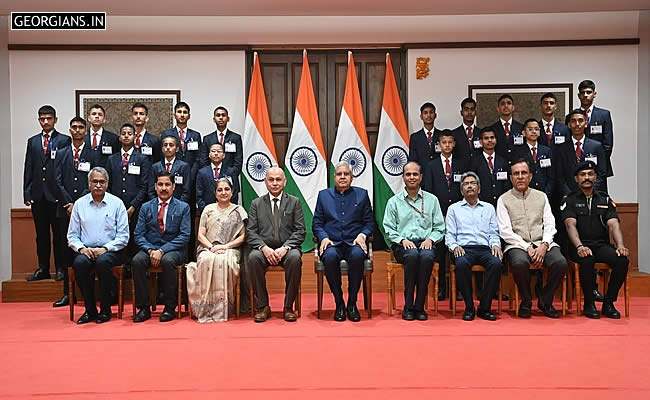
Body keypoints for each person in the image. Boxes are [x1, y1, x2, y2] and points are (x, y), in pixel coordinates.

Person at [497, 159, 568, 318]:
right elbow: (505, 231)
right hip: (517, 244)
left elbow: (550, 224)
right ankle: (526, 301)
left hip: (543, 242)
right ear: (510, 178)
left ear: (530, 176)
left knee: (560, 263)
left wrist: (544, 245)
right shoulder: (503, 199)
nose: (520, 177)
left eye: (524, 173)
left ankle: (545, 299)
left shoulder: (541, 196)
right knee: (519, 263)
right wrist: (527, 247)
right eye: (516, 174)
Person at [562, 161, 629, 319]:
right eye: (583, 175)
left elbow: (613, 224)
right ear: (576, 179)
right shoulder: (569, 199)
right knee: (587, 258)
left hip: (600, 245)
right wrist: (579, 246)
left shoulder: (605, 199)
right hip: (578, 246)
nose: (587, 177)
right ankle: (589, 303)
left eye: (590, 174)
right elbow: (570, 224)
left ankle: (608, 302)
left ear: (596, 177)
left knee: (622, 260)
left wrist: (620, 246)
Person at [313, 162, 374, 322]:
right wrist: (324, 237)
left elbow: (369, 223)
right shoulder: (323, 195)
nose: (342, 177)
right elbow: (317, 223)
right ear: (334, 177)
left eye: (346, 174)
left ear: (351, 177)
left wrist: (363, 235)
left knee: (357, 256)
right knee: (330, 257)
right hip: (332, 242)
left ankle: (352, 303)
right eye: (339, 174)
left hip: (354, 242)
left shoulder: (362, 195)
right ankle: (339, 302)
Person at [383, 161, 444, 321]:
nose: (412, 177)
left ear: (421, 177)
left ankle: (420, 305)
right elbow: (388, 228)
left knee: (426, 257)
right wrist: (402, 240)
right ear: (403, 177)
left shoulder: (432, 200)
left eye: (415, 174)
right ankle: (409, 305)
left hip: (426, 243)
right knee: (411, 255)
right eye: (408, 174)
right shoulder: (394, 202)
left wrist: (431, 238)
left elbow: (439, 227)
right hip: (402, 245)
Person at [67, 167, 129, 324]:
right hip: (86, 250)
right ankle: (90, 310)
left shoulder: (117, 204)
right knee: (79, 263)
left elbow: (123, 236)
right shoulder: (80, 205)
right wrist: (81, 249)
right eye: (94, 181)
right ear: (88, 184)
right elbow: (72, 235)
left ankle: (105, 309)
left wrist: (105, 249)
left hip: (110, 251)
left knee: (103, 262)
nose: (98, 185)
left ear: (107, 184)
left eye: (102, 182)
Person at [246, 167, 305, 322]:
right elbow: (250, 232)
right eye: (271, 180)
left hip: (287, 249)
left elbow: (300, 231)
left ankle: (288, 307)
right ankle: (263, 306)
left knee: (295, 258)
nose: (274, 183)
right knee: (253, 258)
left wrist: (285, 248)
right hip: (264, 249)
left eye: (278, 179)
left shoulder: (294, 202)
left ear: (284, 182)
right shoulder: (256, 204)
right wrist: (264, 248)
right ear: (265, 182)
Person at [186, 177, 247, 322]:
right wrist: (212, 247)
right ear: (215, 193)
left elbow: (243, 237)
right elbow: (200, 235)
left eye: (227, 189)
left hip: (230, 248)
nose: (223, 192)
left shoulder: (238, 211)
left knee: (227, 261)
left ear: (232, 192)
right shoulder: (208, 209)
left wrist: (226, 246)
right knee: (208, 259)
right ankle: (205, 307)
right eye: (220, 190)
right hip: (208, 247)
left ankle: (224, 308)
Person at [53, 117, 99, 307]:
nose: (78, 130)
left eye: (81, 127)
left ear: (85, 130)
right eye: (74, 127)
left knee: (85, 248)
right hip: (64, 209)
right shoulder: (61, 153)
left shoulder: (93, 154)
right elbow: (56, 180)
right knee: (66, 253)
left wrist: (77, 204)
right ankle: (68, 294)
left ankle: (90, 294)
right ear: (70, 130)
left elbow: (95, 180)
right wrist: (68, 203)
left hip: (86, 208)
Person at [132, 172, 191, 322]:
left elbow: (184, 236)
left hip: (172, 250)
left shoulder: (183, 207)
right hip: (150, 248)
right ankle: (143, 308)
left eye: (167, 185)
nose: (163, 188)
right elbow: (138, 235)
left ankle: (170, 307)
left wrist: (162, 250)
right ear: (155, 187)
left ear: (173, 186)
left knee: (168, 261)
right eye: (160, 185)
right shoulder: (146, 207)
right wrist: (151, 250)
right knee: (137, 261)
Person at [445, 171, 503, 321]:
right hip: (464, 248)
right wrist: (454, 246)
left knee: (496, 263)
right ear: (461, 190)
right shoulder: (453, 209)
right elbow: (450, 235)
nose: (469, 186)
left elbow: (493, 232)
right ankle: (469, 307)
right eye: (466, 184)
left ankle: (484, 307)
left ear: (479, 188)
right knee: (462, 263)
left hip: (484, 248)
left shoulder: (488, 208)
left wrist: (496, 245)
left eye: (473, 183)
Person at [24, 105, 72, 282]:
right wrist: (27, 192)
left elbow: (65, 169)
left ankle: (60, 268)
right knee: (41, 234)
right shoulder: (33, 141)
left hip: (56, 195)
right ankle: (43, 268)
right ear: (39, 120)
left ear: (55, 120)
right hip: (38, 195)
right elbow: (29, 166)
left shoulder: (64, 140)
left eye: (48, 118)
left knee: (59, 234)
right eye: (42, 119)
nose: (45, 122)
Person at [422, 130, 466, 300]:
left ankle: (460, 288)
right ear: (438, 145)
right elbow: (428, 191)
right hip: (438, 214)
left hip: (458, 214)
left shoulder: (462, 164)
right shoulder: (431, 165)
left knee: (459, 250)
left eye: (450, 142)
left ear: (454, 144)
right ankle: (440, 287)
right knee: (439, 253)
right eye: (444, 142)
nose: (447, 145)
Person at [161, 102, 202, 258]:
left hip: (187, 188)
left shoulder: (196, 135)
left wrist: (188, 176)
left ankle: (189, 258)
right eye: (179, 111)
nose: (182, 114)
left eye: (185, 112)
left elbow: (198, 159)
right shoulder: (166, 134)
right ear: (174, 115)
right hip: (168, 187)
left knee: (188, 224)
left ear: (189, 116)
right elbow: (163, 159)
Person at [106, 123, 151, 258]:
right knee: (116, 235)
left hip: (136, 207)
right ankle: (119, 263)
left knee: (135, 236)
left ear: (135, 137)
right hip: (115, 206)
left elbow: (144, 185)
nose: (126, 136)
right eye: (123, 134)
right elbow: (107, 184)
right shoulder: (111, 159)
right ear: (119, 137)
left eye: (129, 134)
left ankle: (133, 265)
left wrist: (133, 206)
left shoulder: (142, 159)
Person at [555, 109, 607, 197]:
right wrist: (569, 194)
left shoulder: (596, 146)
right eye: (573, 121)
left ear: (586, 124)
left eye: (580, 121)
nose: (577, 124)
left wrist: (591, 191)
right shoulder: (561, 149)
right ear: (569, 125)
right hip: (569, 196)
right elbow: (559, 176)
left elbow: (601, 173)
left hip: (592, 195)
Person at [199, 106, 242, 202]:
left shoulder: (236, 138)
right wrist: (212, 176)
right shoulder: (207, 138)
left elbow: (238, 162)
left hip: (230, 182)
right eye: (218, 115)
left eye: (223, 115)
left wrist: (228, 175)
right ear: (214, 119)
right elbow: (204, 161)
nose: (221, 117)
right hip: (210, 184)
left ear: (228, 118)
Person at [578, 80, 614, 190]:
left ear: (594, 94)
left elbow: (608, 144)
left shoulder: (604, 114)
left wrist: (597, 162)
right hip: (578, 166)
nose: (585, 95)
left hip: (599, 167)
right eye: (583, 92)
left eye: (588, 92)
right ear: (578, 95)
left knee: (599, 200)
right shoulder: (573, 115)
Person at [470, 127, 511, 208]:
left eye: (492, 138)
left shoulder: (503, 161)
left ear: (496, 140)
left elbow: (507, 183)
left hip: (502, 203)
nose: (489, 140)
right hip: (481, 203)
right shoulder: (474, 162)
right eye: (486, 138)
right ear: (481, 142)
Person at [515, 118, 554, 199]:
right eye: (530, 129)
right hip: (525, 194)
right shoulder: (518, 152)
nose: (533, 132)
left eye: (536, 129)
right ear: (524, 133)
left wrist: (547, 192)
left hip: (544, 193)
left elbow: (551, 175)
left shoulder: (546, 151)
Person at [148, 135, 191, 203]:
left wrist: (179, 206)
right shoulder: (155, 167)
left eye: (171, 145)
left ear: (177, 149)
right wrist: (157, 204)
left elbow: (186, 191)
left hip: (178, 205)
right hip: (158, 205)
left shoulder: (184, 166)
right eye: (165, 145)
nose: (168, 147)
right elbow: (151, 191)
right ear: (162, 149)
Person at [490, 94, 524, 163]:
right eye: (502, 104)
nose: (506, 106)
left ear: (513, 107)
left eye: (509, 103)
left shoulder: (521, 127)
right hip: (500, 167)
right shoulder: (492, 129)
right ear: (498, 109)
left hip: (518, 167)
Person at [85, 104, 120, 168]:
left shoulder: (113, 138)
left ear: (104, 120)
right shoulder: (82, 137)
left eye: (100, 114)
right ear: (89, 118)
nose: (97, 116)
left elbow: (116, 160)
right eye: (94, 114)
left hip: (106, 174)